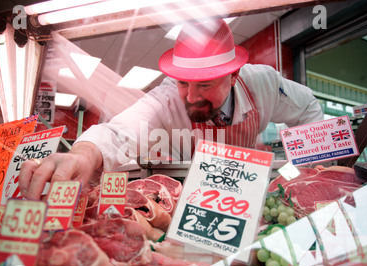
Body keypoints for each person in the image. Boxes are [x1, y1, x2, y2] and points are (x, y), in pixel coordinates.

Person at [19, 19, 323, 200]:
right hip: (196, 196)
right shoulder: (165, 100)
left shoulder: (263, 84)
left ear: (233, 76)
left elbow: (309, 108)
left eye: (204, 85)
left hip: (250, 192)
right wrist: (82, 154)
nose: (190, 97)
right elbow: (118, 133)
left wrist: (307, 176)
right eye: (183, 83)